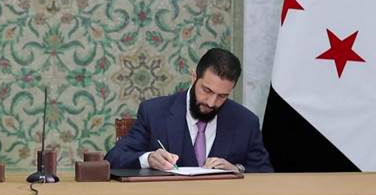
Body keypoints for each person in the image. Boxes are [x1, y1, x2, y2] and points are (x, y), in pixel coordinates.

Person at [105, 48, 273, 173]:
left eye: (222, 96)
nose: (211, 102)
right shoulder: (154, 112)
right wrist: (148, 159)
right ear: (194, 77)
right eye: (207, 90)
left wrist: (237, 169)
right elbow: (114, 158)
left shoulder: (246, 122)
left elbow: (266, 174)